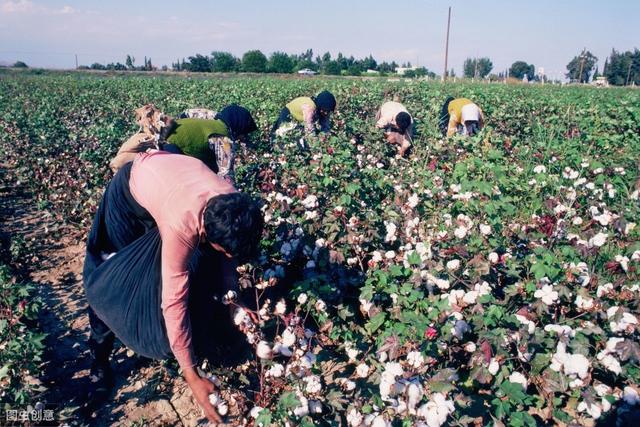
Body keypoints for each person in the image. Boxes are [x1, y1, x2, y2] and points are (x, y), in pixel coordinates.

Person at [82, 150, 263, 423]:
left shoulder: (232, 201)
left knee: (202, 265)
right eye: (223, 250)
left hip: (169, 187)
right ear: (205, 231)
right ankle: (99, 359)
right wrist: (191, 375)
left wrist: (233, 298)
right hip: (129, 196)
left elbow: (228, 256)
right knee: (113, 278)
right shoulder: (183, 224)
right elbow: (174, 299)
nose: (228, 256)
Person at [110, 104, 257, 181]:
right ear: (239, 126)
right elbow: (225, 175)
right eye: (244, 134)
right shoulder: (224, 138)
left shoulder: (209, 117)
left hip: (161, 140)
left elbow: (185, 113)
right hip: (170, 152)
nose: (243, 138)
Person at [271, 90, 336, 137]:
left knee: (300, 135)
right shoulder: (310, 108)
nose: (326, 113)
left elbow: (325, 126)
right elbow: (309, 128)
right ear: (319, 106)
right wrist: (314, 141)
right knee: (284, 135)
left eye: (328, 111)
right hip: (287, 114)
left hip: (298, 120)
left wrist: (326, 136)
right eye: (324, 110)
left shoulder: (325, 110)